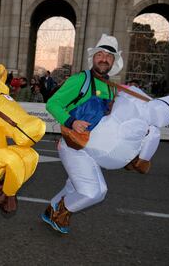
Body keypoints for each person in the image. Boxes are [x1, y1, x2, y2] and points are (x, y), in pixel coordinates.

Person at [42, 34, 123, 234]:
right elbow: (53, 103)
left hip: (93, 148)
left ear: (113, 62)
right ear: (93, 57)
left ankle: (50, 209)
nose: (104, 58)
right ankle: (60, 212)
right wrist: (72, 121)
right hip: (73, 145)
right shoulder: (81, 80)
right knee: (92, 192)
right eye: (100, 54)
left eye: (109, 56)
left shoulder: (112, 88)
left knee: (89, 189)